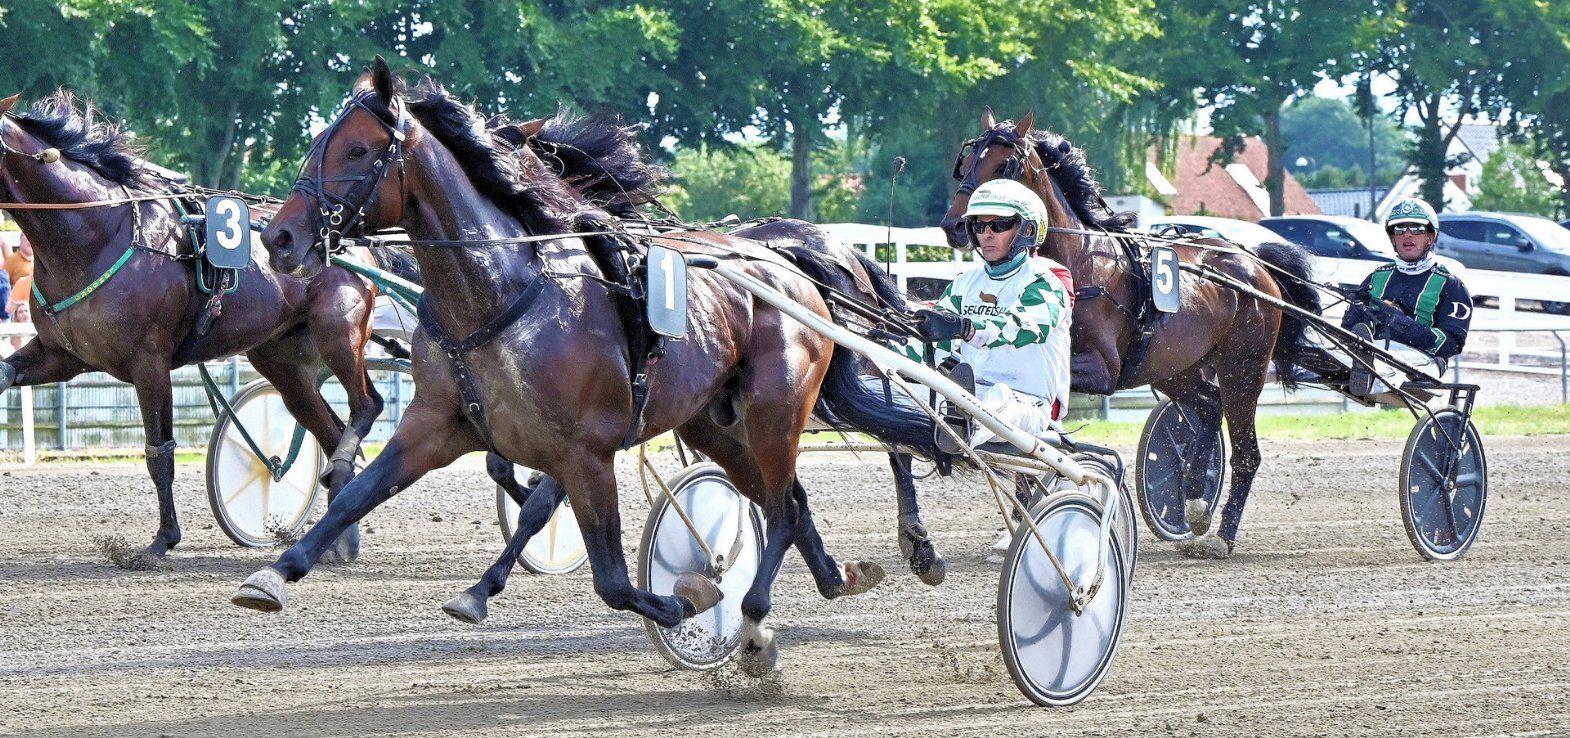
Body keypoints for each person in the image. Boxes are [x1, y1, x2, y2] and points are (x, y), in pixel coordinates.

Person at [1341, 197, 1473, 396]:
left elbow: (1450, 344)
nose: (1407, 234)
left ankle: (1369, 373)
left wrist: (1401, 324)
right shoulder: (1376, 277)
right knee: (1332, 349)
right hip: (1373, 350)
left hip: (1424, 362)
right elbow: (1348, 329)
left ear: (1431, 237)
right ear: (1393, 238)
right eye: (1400, 229)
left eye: (1417, 228)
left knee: (1386, 359)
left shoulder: (1451, 285)